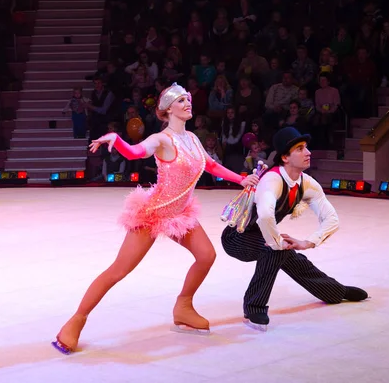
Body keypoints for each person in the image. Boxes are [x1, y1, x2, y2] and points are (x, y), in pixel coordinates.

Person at [52, 83, 259, 354]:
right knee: (119, 271)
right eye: (182, 100)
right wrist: (118, 140)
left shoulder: (193, 139)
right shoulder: (161, 139)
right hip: (154, 214)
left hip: (180, 214)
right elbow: (137, 151)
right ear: (167, 109)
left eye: (189, 99)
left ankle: (183, 306)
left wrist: (242, 179)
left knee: (206, 256)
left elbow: (211, 165)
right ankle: (76, 320)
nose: (188, 103)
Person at [221, 127, 368, 331]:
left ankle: (334, 291)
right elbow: (264, 214)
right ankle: (254, 306)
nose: (308, 153)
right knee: (275, 250)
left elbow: (331, 218)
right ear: (285, 157)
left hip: (261, 234)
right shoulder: (271, 180)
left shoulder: (307, 184)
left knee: (291, 257)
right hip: (236, 238)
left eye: (306, 147)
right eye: (300, 148)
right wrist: (277, 242)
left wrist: (306, 242)